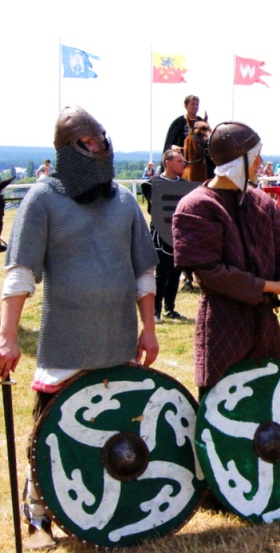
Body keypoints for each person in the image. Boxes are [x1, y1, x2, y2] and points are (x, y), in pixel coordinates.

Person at [0, 106, 159, 549]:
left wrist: (148, 328)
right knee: (49, 434)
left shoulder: (124, 201)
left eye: (101, 142)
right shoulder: (43, 199)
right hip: (66, 341)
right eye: (88, 145)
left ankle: (106, 508)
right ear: (69, 150)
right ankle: (37, 516)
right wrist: (7, 336)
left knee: (114, 428)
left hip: (117, 336)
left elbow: (144, 272)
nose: (99, 150)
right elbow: (20, 274)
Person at [173, 121, 280, 395]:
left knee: (269, 408)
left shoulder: (261, 202)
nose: (261, 162)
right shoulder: (196, 206)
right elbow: (212, 273)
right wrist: (272, 287)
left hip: (264, 328)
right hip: (223, 327)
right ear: (238, 160)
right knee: (221, 412)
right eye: (255, 155)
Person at [143, 149, 193, 323]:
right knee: (162, 274)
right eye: (179, 161)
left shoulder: (186, 185)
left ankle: (170, 309)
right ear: (167, 163)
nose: (183, 164)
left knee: (174, 273)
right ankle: (155, 311)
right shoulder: (153, 184)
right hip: (161, 235)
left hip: (179, 235)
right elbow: (158, 207)